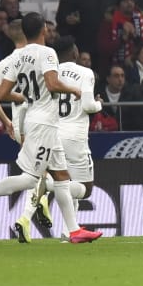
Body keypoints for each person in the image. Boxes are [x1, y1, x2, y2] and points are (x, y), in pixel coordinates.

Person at [0, 13, 100, 244]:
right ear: (44, 29)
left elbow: (1, 94)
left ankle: (74, 230)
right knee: (30, 180)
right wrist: (73, 91)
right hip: (43, 124)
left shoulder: (17, 58)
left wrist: (26, 98)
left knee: (62, 177)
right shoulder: (47, 53)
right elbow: (53, 84)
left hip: (42, 122)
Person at [20, 36, 102, 241]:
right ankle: (46, 188)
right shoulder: (85, 72)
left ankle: (68, 232)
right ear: (74, 52)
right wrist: (100, 104)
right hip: (75, 137)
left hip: (53, 133)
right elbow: (88, 106)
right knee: (85, 189)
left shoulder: (49, 74)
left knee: (65, 180)